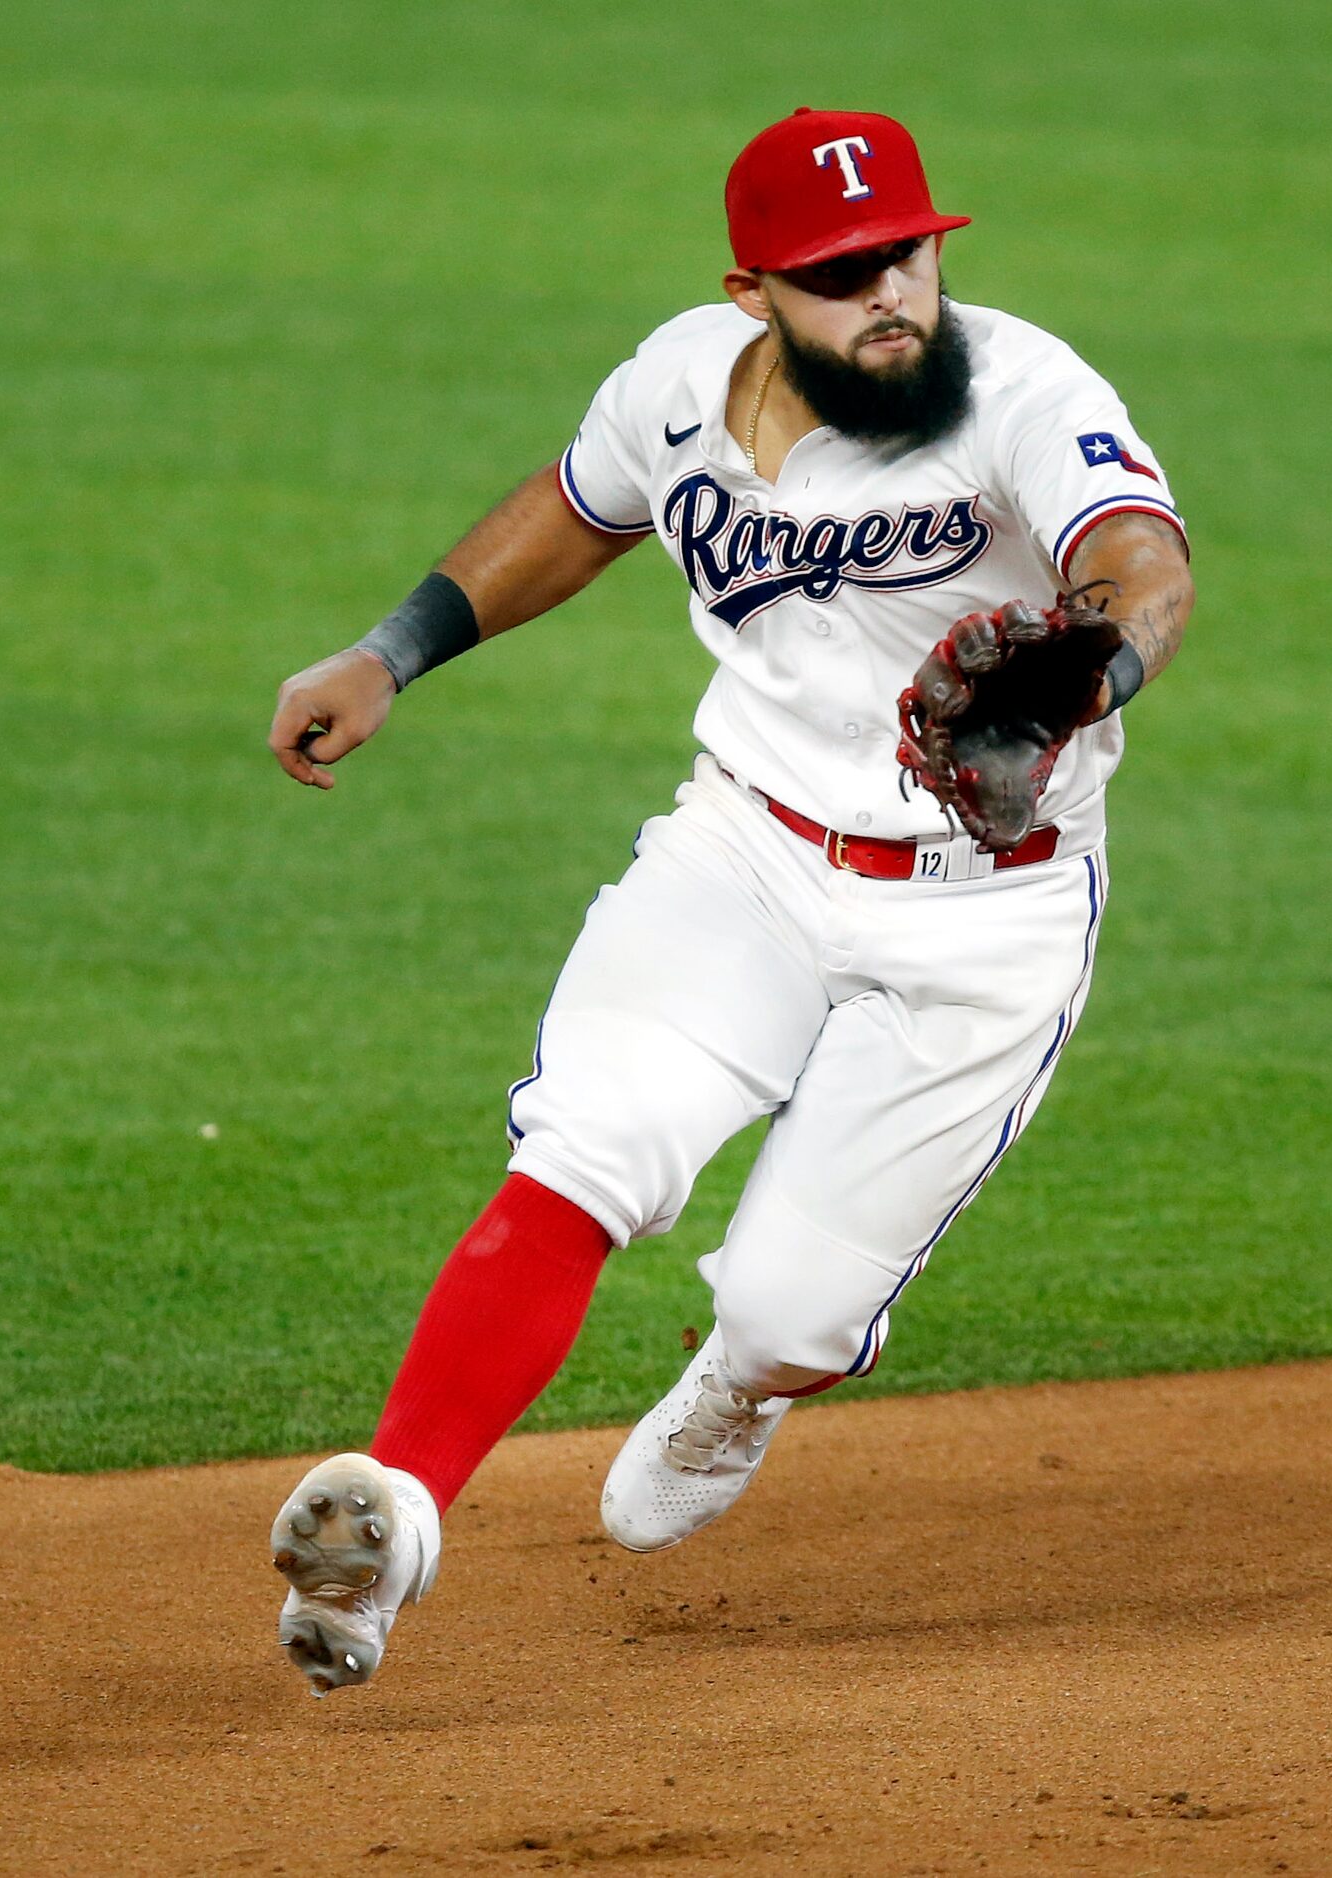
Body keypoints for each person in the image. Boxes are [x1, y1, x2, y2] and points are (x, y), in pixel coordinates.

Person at [258, 108, 1191, 1695]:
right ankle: (394, 1525)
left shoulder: (1029, 393)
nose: (887, 293)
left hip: (983, 916)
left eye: (905, 253)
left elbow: (1140, 558)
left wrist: (1093, 662)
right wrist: (388, 647)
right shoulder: (681, 381)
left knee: (786, 1310)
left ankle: (746, 1383)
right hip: (743, 855)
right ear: (754, 289)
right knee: (585, 1149)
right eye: (837, 274)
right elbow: (575, 509)